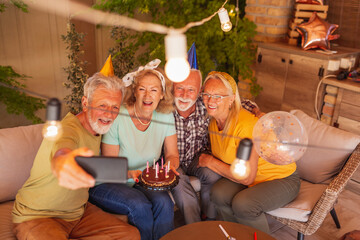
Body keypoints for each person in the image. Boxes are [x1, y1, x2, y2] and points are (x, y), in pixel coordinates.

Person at [12, 57, 140, 240]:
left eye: (114, 107)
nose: (109, 114)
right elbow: (62, 150)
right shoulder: (67, 129)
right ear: (85, 103)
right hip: (37, 216)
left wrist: (128, 173)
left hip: (78, 214)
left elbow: (91, 167)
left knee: (130, 235)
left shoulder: (98, 128)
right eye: (102, 105)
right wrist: (63, 161)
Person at [198, 71, 300, 233]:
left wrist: (210, 162)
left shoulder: (245, 126)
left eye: (218, 96)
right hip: (252, 179)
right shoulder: (213, 122)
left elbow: (246, 177)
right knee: (218, 193)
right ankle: (234, 235)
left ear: (231, 99)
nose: (210, 100)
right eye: (206, 94)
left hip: (282, 178)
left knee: (244, 204)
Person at [88, 59, 179, 240]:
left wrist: (166, 170)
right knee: (139, 205)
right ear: (134, 92)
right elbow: (111, 168)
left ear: (162, 94)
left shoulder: (165, 116)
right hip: (109, 182)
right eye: (142, 89)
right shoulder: (118, 115)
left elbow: (172, 154)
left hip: (142, 180)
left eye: (154, 90)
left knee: (165, 203)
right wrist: (132, 174)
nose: (148, 96)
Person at [171, 69, 222, 224]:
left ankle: (209, 219)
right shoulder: (164, 107)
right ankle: (194, 229)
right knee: (180, 186)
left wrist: (253, 107)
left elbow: (232, 101)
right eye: (180, 88)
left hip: (196, 158)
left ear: (200, 91)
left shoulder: (205, 105)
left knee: (212, 175)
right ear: (172, 87)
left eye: (191, 90)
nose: (184, 95)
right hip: (170, 160)